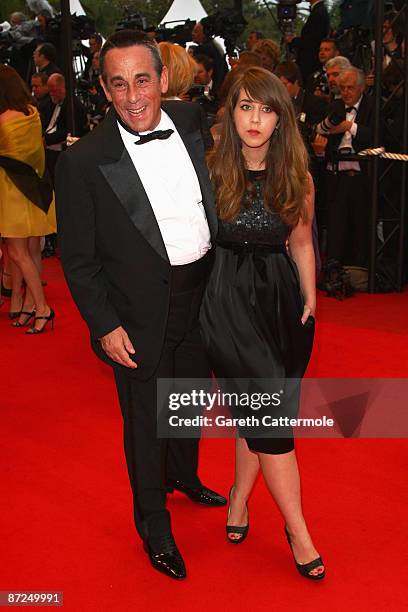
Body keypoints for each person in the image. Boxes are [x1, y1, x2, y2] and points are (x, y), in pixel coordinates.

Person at [55, 30, 225, 581]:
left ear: (164, 80)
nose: (133, 95)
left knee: (192, 398)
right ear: (105, 89)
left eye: (143, 80)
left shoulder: (193, 123)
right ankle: (153, 524)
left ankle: (185, 475)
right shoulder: (83, 162)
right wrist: (105, 325)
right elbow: (78, 260)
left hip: (204, 293)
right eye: (119, 83)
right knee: (145, 424)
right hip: (137, 309)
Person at [200, 66, 325, 580]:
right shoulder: (210, 168)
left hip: (281, 299)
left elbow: (300, 243)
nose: (255, 119)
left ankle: (238, 498)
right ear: (230, 114)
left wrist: (311, 298)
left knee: (257, 409)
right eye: (245, 107)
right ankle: (298, 530)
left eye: (266, 109)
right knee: (268, 415)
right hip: (226, 296)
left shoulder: (296, 173)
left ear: (281, 118)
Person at [0, 64, 55, 333]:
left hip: (11, 193)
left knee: (17, 253)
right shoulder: (32, 113)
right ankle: (30, 306)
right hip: (35, 188)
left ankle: (42, 308)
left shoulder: (2, 120)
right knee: (32, 252)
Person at [286, 0, 330, 83]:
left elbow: (312, 41)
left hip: (310, 65)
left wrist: (294, 41)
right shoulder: (319, 11)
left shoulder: (318, 13)